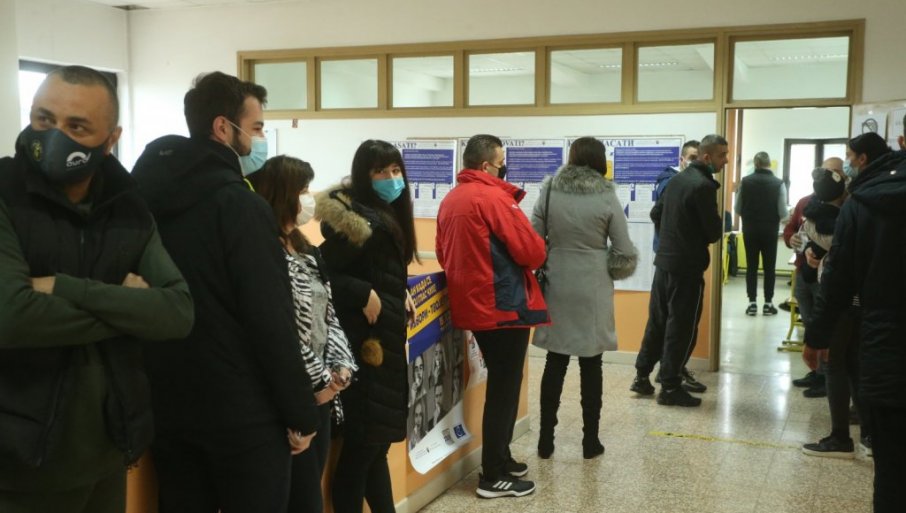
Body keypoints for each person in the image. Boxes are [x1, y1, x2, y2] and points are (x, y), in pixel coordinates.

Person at [0, 66, 194, 513]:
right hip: (19, 462)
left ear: (111, 139)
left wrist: (64, 288)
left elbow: (178, 311)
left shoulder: (127, 208)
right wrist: (129, 308)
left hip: (108, 450)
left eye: (77, 127)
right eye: (44, 119)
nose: (54, 136)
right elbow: (11, 316)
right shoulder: (5, 194)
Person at [132, 71, 319, 513]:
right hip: (243, 414)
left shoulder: (141, 200)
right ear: (223, 127)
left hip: (167, 404)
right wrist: (300, 411)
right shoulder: (240, 206)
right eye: (256, 128)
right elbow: (268, 317)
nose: (259, 140)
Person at [436, 134, 548, 499]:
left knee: (502, 383)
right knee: (504, 387)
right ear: (486, 166)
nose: (504, 169)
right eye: (501, 163)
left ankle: (501, 456)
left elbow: (442, 252)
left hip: (474, 304)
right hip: (503, 305)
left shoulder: (451, 199)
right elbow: (531, 252)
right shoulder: (494, 198)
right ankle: (493, 475)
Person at [247, 155, 358, 513]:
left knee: (311, 490)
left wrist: (340, 367)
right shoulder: (263, 250)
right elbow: (281, 330)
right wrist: (320, 381)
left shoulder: (305, 248)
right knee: (300, 498)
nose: (310, 198)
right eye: (303, 190)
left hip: (324, 393)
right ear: (281, 194)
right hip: (294, 392)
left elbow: (328, 312)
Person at [316, 139, 418, 513]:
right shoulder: (359, 224)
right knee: (362, 450)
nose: (391, 178)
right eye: (380, 172)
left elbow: (375, 269)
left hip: (384, 342)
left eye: (395, 170)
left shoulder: (385, 215)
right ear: (364, 175)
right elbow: (320, 272)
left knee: (375, 447)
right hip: (364, 346)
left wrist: (398, 290)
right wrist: (363, 292)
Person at [805, 130, 903, 512]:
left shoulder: (863, 202)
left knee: (892, 472)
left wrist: (817, 335)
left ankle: (849, 437)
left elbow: (838, 278)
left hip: (886, 342)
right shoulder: (857, 200)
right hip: (880, 334)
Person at [531, 137, 638, 460]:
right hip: (593, 284)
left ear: (572, 157)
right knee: (592, 364)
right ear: (600, 160)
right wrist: (608, 264)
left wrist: (551, 256)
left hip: (557, 280)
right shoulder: (606, 194)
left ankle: (545, 441)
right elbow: (623, 250)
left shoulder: (550, 190)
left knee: (555, 361)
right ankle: (590, 441)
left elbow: (533, 239)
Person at [631, 134, 726, 407]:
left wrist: (672, 236)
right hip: (686, 267)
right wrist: (689, 236)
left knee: (658, 321)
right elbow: (712, 232)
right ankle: (670, 386)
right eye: (722, 155)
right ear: (707, 157)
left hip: (664, 263)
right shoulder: (703, 186)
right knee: (681, 326)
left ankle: (642, 376)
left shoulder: (676, 180)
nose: (726, 160)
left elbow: (656, 214)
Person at [800, 163, 873, 459]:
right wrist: (810, 249)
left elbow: (831, 264)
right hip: (862, 297)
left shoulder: (822, 220)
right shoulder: (861, 207)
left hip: (842, 298)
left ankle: (841, 437)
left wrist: (814, 336)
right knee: (855, 365)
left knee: (835, 364)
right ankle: (870, 436)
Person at [735, 151, 788, 316]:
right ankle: (768, 304)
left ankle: (752, 304)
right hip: (770, 231)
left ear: (756, 164)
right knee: (769, 268)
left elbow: (737, 208)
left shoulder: (745, 182)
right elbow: (783, 212)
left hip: (750, 230)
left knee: (751, 267)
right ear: (769, 164)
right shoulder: (779, 183)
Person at [652, 140, 699, 252]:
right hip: (671, 250)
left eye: (698, 159)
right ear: (682, 160)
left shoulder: (694, 181)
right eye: (692, 158)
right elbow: (660, 215)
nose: (695, 162)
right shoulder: (670, 182)